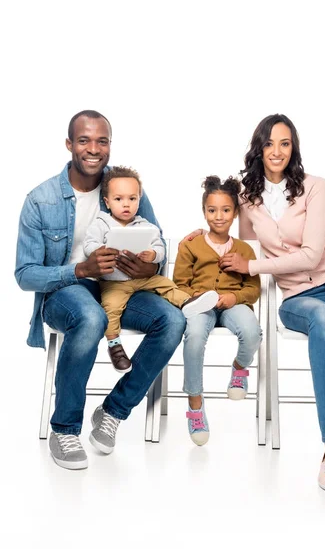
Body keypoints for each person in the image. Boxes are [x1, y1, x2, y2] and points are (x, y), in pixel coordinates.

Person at [15, 110, 186, 470]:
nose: (93, 149)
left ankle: (112, 411)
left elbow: (156, 239)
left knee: (172, 320)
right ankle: (64, 429)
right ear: (69, 145)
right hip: (67, 291)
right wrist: (80, 268)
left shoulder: (123, 186)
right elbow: (25, 274)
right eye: (84, 140)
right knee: (91, 318)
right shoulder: (40, 199)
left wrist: (150, 264)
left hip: (123, 286)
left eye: (102, 141)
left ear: (110, 145)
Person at [221, 113, 325, 496]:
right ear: (258, 148)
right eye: (270, 143)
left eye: (285, 143)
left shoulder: (315, 187)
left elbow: (310, 256)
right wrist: (211, 232)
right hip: (299, 298)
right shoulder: (246, 197)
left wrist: (253, 264)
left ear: (294, 149)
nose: (277, 151)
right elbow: (245, 249)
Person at [84, 166, 218, 373]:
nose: (126, 204)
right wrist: (99, 250)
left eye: (132, 198)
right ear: (107, 201)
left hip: (143, 279)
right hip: (114, 281)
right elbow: (89, 245)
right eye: (119, 199)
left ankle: (187, 302)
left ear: (139, 199)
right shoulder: (101, 224)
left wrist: (153, 256)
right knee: (111, 307)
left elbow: (159, 247)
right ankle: (114, 345)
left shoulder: (145, 225)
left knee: (166, 285)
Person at [174, 176, 262, 445]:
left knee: (252, 330)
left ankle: (239, 369)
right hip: (201, 306)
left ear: (235, 213)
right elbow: (178, 285)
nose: (219, 216)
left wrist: (233, 297)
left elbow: (253, 290)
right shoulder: (189, 244)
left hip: (233, 304)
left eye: (225, 210)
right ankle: (195, 403)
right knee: (195, 335)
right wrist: (196, 296)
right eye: (212, 210)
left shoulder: (245, 249)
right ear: (204, 212)